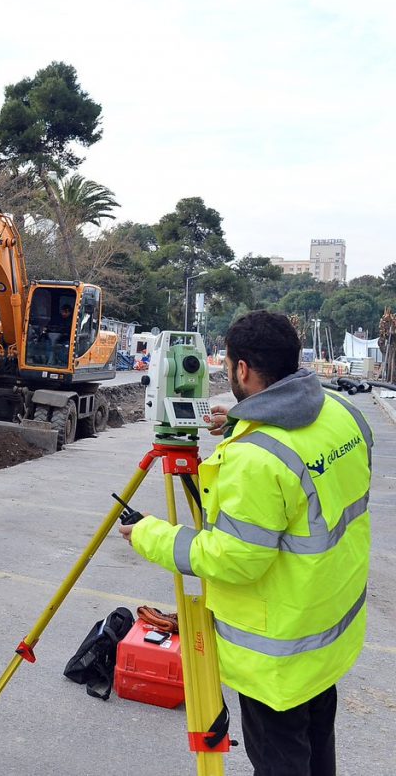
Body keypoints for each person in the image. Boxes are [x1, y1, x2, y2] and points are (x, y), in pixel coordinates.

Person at [119, 310, 372, 776]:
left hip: (279, 654)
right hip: (327, 631)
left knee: (281, 761)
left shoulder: (253, 461)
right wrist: (241, 420)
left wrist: (153, 535)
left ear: (240, 370)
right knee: (318, 749)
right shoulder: (341, 413)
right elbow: (303, 464)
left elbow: (236, 560)